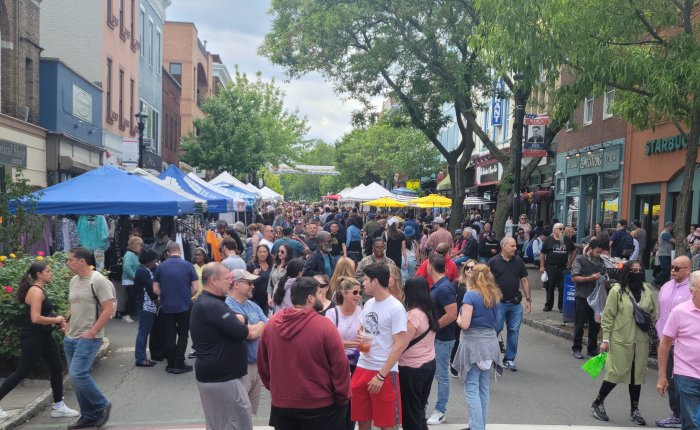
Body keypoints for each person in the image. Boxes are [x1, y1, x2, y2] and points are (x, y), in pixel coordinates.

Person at [258, 277, 351, 429]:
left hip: (282, 404)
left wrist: (277, 390)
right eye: (320, 293)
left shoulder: (272, 324)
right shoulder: (324, 326)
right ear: (310, 298)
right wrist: (342, 397)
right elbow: (340, 366)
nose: (323, 297)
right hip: (320, 405)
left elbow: (263, 364)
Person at [0, 262, 79, 420]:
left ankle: (58, 406)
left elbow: (45, 311)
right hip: (33, 337)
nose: (51, 274)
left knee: (56, 368)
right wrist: (56, 319)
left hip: (44, 336)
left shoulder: (40, 290)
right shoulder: (35, 291)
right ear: (39, 274)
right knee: (22, 371)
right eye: (48, 271)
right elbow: (35, 318)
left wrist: (58, 320)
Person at [590, 260, 657, 425]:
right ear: (627, 271)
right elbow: (608, 316)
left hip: (640, 341)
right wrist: (605, 340)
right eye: (634, 270)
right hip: (620, 340)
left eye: (640, 270)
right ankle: (597, 402)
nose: (638, 272)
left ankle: (634, 410)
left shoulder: (646, 291)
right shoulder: (617, 291)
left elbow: (652, 314)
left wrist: (650, 338)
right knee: (616, 372)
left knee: (637, 376)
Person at [190, 263, 251, 430]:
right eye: (226, 279)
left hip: (220, 377)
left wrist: (240, 318)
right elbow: (240, 331)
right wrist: (240, 320)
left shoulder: (210, 302)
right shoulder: (212, 305)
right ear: (213, 280)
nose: (230, 282)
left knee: (223, 423)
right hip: (223, 379)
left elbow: (239, 320)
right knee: (234, 423)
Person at [351, 263, 408, 430]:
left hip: (384, 371)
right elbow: (364, 334)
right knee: (362, 421)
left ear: (375, 281)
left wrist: (381, 376)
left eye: (366, 280)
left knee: (387, 424)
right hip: (363, 366)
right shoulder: (368, 304)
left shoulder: (396, 308)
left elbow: (400, 345)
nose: (363, 283)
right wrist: (362, 341)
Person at [63, 247, 114, 429]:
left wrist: (93, 331)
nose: (68, 263)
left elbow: (108, 309)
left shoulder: (98, 280)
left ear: (82, 261)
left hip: (89, 336)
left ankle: (101, 404)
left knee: (78, 374)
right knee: (75, 378)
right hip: (71, 336)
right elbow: (72, 304)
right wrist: (66, 323)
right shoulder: (74, 280)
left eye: (70, 260)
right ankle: (88, 414)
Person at [453, 264, 503, 430]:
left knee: (471, 388)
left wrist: (458, 319)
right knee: (483, 388)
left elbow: (465, 324)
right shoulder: (494, 294)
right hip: (489, 344)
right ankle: (479, 425)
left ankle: (476, 427)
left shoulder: (470, 296)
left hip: (473, 345)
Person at [657, 270, 700, 430]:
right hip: (687, 375)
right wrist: (662, 377)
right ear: (692, 290)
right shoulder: (680, 312)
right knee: (692, 423)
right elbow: (665, 343)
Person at [654, 256, 692, 428]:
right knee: (669, 378)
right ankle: (676, 414)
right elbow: (661, 312)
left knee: (684, 382)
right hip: (664, 340)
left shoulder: (693, 289)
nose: (673, 270)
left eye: (678, 268)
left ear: (688, 270)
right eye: (672, 267)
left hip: (683, 343)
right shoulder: (666, 286)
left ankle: (688, 417)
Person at [225, 269, 268, 417]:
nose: (253, 286)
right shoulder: (227, 305)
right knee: (237, 412)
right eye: (249, 283)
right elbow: (250, 334)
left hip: (256, 365)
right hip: (240, 367)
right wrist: (259, 326)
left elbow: (267, 327)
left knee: (248, 412)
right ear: (236, 284)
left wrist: (256, 327)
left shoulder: (252, 305)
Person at [153, 242, 199, 374]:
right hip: (184, 306)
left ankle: (171, 363)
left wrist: (164, 295)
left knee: (169, 335)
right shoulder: (188, 266)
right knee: (183, 335)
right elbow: (195, 288)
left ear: (168, 252)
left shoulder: (161, 267)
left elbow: (155, 288)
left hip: (167, 307)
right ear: (180, 251)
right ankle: (179, 362)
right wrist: (186, 295)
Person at [398, 276, 437, 430]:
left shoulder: (413, 314)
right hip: (428, 363)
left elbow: (402, 344)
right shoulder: (430, 310)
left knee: (411, 412)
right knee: (419, 408)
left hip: (411, 368)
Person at [326, 277, 363, 430]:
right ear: (344, 293)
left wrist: (352, 344)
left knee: (353, 407)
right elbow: (332, 341)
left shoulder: (362, 311)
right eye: (355, 292)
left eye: (360, 292)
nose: (358, 296)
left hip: (357, 364)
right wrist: (355, 343)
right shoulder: (332, 313)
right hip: (337, 366)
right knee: (338, 405)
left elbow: (365, 338)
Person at [489, 237, 532, 371]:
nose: (515, 248)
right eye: (512, 246)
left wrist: (528, 299)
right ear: (503, 247)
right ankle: (490, 358)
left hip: (515, 303)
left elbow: (524, 280)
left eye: (515, 246)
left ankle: (509, 359)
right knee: (496, 329)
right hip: (498, 303)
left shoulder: (519, 261)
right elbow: (488, 282)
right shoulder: (493, 261)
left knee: (514, 331)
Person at [426, 254, 458, 426]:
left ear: (430, 267)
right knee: (434, 374)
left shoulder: (444, 288)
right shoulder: (439, 286)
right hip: (438, 338)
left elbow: (452, 313)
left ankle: (440, 411)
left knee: (442, 375)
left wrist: (433, 327)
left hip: (443, 339)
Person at [571, 239, 605, 359]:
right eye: (597, 251)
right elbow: (574, 278)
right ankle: (576, 348)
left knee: (595, 325)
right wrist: (590, 278)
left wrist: (605, 280)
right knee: (579, 325)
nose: (598, 254)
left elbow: (604, 276)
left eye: (600, 252)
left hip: (596, 298)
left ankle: (592, 348)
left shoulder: (601, 262)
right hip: (582, 296)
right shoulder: (580, 259)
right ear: (590, 249)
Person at [540, 223, 576, 312]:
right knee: (549, 286)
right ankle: (548, 305)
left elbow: (574, 250)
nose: (562, 230)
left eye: (563, 228)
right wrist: (542, 266)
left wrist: (570, 262)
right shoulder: (548, 240)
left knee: (562, 287)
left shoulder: (566, 240)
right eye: (560, 229)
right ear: (554, 230)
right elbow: (542, 253)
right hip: (551, 267)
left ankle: (562, 306)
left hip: (563, 267)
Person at [450, 260, 477, 377]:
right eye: (467, 268)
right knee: (457, 340)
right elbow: (450, 298)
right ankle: (454, 363)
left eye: (472, 268)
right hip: (459, 316)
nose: (469, 270)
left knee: (470, 341)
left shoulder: (480, 285)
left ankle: (470, 364)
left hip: (474, 317)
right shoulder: (458, 283)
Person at [134, 249, 160, 367]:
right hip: (146, 305)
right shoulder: (143, 271)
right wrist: (157, 300)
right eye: (154, 260)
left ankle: (142, 357)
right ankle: (141, 358)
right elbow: (150, 289)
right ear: (149, 261)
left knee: (143, 332)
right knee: (143, 332)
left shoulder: (143, 270)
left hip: (146, 304)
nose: (155, 263)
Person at [121, 236, 143, 323]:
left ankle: (128, 314)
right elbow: (127, 267)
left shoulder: (132, 255)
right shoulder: (130, 255)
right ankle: (126, 315)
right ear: (135, 245)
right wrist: (134, 277)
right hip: (129, 281)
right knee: (131, 298)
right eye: (140, 245)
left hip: (131, 280)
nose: (141, 247)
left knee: (132, 298)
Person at [247, 244, 273, 316]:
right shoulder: (251, 265)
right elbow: (245, 281)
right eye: (260, 252)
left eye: (264, 252)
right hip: (254, 297)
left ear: (268, 253)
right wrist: (252, 275)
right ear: (257, 253)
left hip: (267, 298)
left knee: (266, 318)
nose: (262, 254)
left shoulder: (272, 265)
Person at [267, 243, 291, 309]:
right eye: (279, 251)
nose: (279, 253)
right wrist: (269, 297)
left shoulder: (289, 268)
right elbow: (270, 283)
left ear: (287, 253)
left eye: (282, 251)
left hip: (284, 299)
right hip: (273, 299)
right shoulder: (274, 266)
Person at [655, 222, 676, 287]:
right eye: (672, 227)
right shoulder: (665, 234)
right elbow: (674, 241)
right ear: (669, 226)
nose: (673, 228)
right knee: (665, 269)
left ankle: (663, 284)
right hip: (664, 254)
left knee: (667, 270)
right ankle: (656, 281)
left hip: (666, 254)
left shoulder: (667, 233)